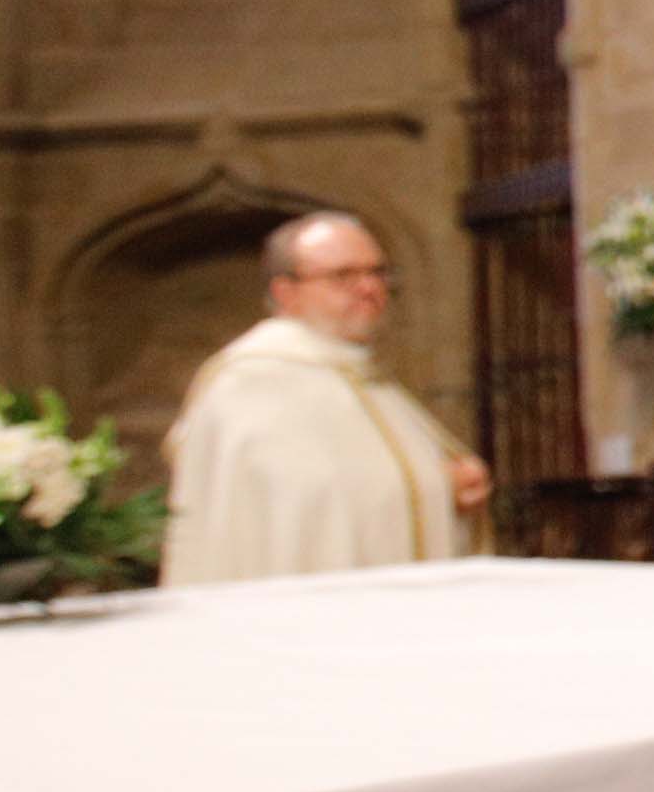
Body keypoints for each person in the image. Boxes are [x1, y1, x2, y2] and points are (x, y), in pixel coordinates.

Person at [161, 211, 489, 584]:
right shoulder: (250, 381)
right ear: (286, 292)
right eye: (343, 276)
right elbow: (297, 504)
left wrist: (445, 490)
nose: (369, 288)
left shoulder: (359, 374)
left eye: (377, 273)